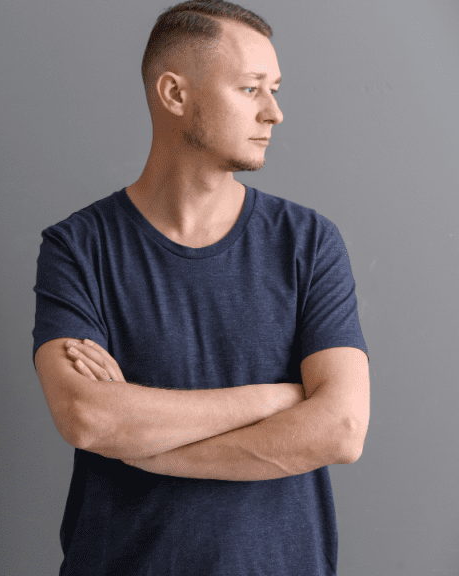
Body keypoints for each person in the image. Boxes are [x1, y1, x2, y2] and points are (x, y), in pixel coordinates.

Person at [32, 1, 369, 574]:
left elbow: (340, 428)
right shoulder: (77, 246)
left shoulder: (309, 242)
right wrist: (277, 397)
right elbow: (89, 419)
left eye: (276, 89)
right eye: (251, 89)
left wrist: (149, 447)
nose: (275, 113)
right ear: (175, 94)